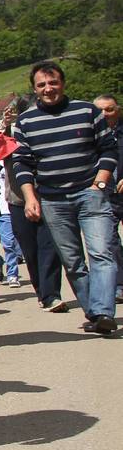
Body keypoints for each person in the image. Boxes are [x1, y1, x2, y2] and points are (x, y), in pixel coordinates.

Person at [11, 62, 118, 334]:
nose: (49, 89)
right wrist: (30, 197)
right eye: (42, 85)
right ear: (34, 89)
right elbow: (22, 164)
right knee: (72, 261)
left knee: (101, 253)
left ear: (63, 83)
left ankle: (104, 311)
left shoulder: (87, 111)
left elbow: (108, 148)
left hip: (90, 193)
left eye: (53, 82)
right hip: (52, 200)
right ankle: (94, 313)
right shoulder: (26, 122)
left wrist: (100, 182)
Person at [0, 97, 66, 310]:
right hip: (18, 200)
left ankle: (51, 295)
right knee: (30, 250)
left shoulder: (48, 129)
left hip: (49, 196)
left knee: (50, 247)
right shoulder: (10, 133)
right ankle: (42, 291)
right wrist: (8, 125)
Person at [92, 93, 123, 303]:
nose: (105, 113)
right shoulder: (89, 135)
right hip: (105, 196)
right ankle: (119, 284)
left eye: (109, 109)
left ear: (118, 110)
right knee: (109, 242)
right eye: (100, 110)